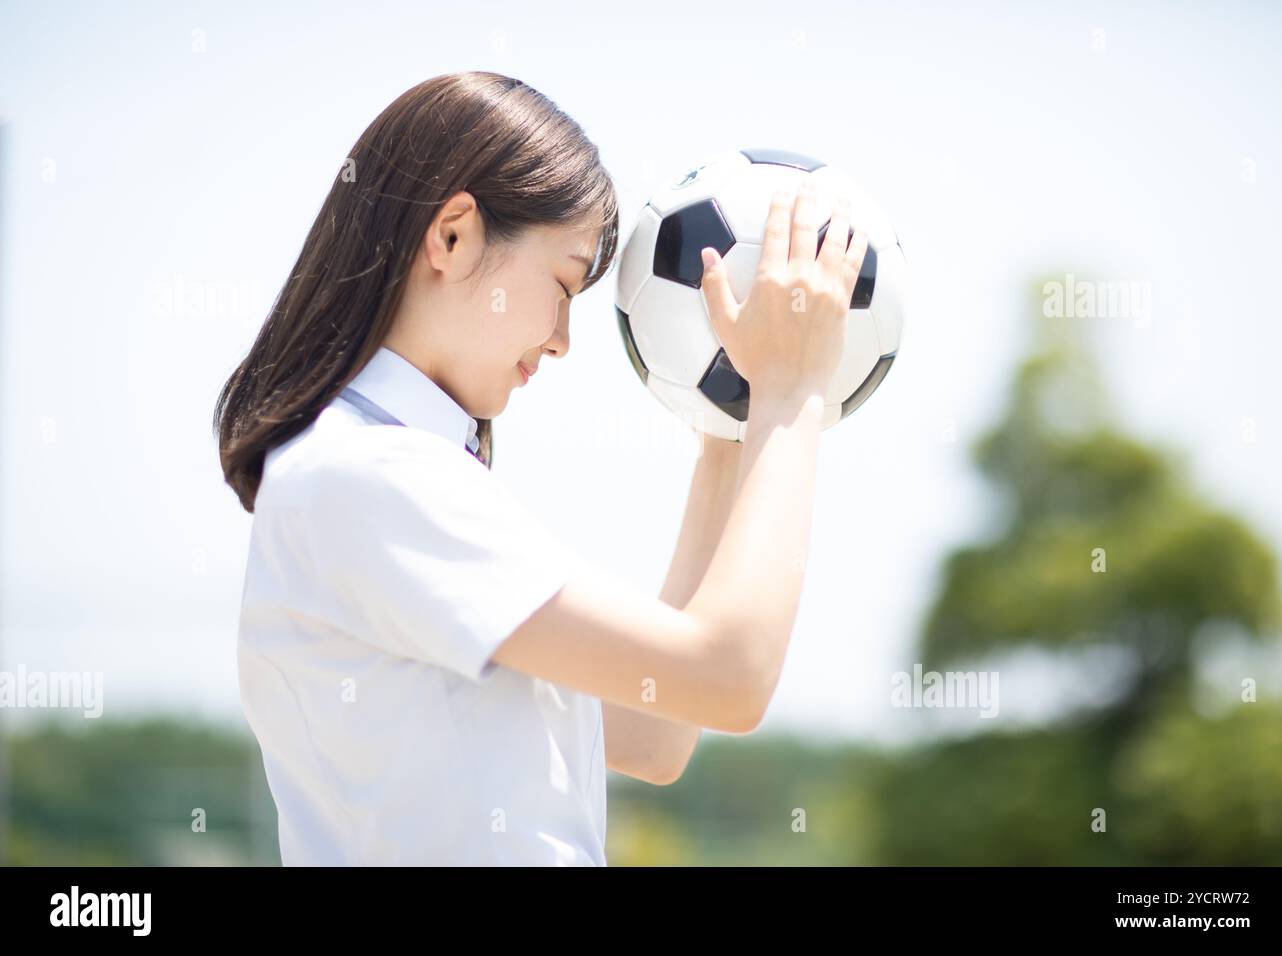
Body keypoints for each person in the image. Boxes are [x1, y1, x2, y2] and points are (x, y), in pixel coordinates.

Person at [213, 71, 867, 866]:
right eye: (563, 283)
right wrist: (790, 392)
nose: (560, 340)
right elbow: (730, 677)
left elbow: (654, 731)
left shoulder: (379, 470)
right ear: (453, 235)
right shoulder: (371, 475)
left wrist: (726, 435)